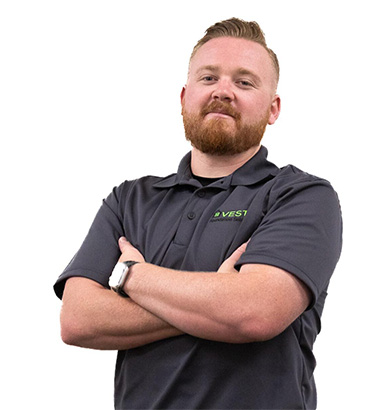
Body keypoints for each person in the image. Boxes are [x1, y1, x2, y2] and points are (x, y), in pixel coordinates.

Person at [54, 17, 342, 410]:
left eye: (244, 82)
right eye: (208, 78)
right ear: (184, 96)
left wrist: (132, 276)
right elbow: (77, 320)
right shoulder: (130, 200)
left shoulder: (300, 196)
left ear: (273, 109)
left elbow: (254, 313)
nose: (223, 91)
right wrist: (217, 300)